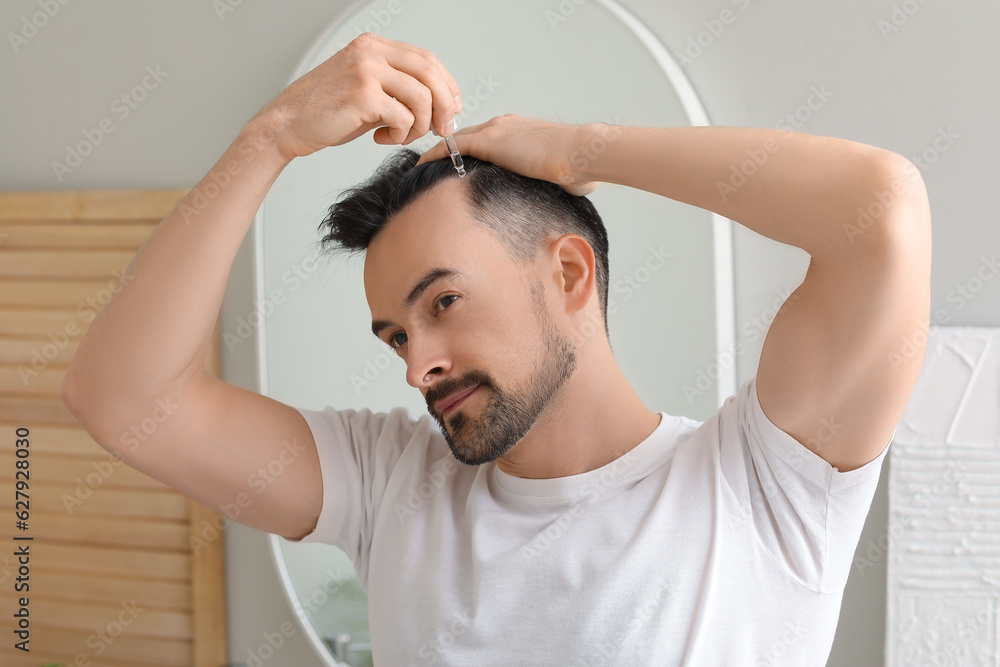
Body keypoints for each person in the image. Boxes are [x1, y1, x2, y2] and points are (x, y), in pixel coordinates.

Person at [62, 32, 932, 665]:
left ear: (568, 274)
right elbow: (126, 399)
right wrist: (272, 137)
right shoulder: (389, 486)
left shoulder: (766, 484)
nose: (416, 364)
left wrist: (577, 149)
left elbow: (881, 211)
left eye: (442, 302)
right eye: (396, 334)